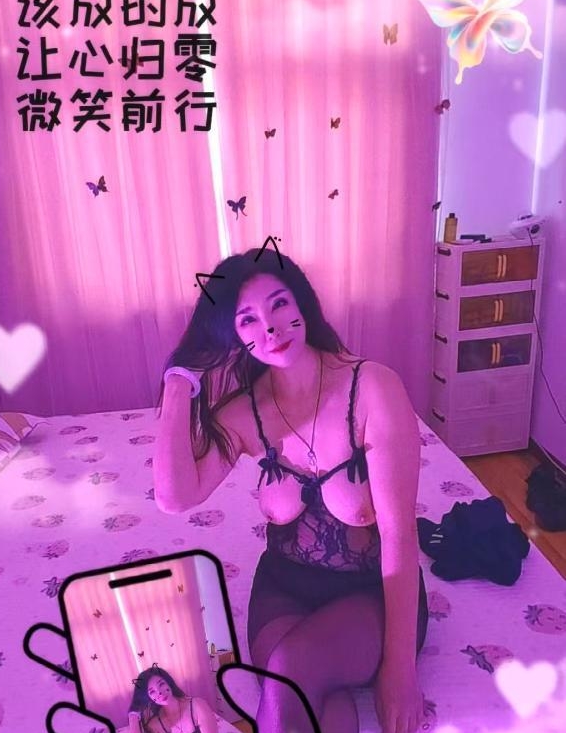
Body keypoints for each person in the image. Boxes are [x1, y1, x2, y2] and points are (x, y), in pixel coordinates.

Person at [154, 249, 429, 733]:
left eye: (279, 304)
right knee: (314, 694)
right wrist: (179, 377)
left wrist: (400, 669)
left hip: (369, 594)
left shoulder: (372, 388)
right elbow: (175, 497)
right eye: (247, 319)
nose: (271, 328)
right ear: (233, 335)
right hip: (282, 591)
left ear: (302, 303)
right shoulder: (245, 412)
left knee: (289, 668)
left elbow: (400, 535)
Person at [127, 664, 218, 733]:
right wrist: (133, 716)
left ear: (169, 683)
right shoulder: (154, 725)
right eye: (152, 692)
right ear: (149, 698)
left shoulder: (197, 706)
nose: (159, 692)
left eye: (161, 684)